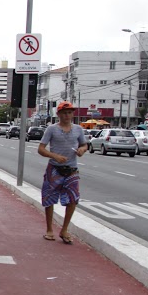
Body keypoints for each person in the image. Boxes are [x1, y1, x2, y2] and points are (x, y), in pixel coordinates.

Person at [37, 100, 87, 244]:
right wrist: (55, 156)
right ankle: (49, 229)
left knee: (73, 199)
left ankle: (64, 229)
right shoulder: (51, 129)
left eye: (69, 113)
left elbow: (84, 144)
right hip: (54, 169)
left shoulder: (78, 129)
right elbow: (41, 148)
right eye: (64, 113)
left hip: (71, 170)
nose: (67, 115)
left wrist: (82, 150)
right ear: (58, 114)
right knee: (49, 199)